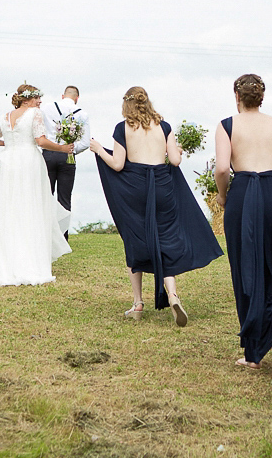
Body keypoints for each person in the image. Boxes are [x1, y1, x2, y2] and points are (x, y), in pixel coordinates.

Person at [91, 86, 223, 325]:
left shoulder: (122, 128)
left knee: (135, 239)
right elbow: (174, 160)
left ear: (126, 105)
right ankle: (172, 294)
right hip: (162, 188)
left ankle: (138, 303)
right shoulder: (164, 127)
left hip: (135, 189)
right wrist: (177, 151)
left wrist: (99, 149)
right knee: (164, 238)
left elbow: (118, 164)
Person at [214, 74, 272, 369]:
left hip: (242, 195)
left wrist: (223, 196)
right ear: (262, 97)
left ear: (236, 96)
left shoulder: (227, 125)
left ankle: (253, 353)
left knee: (245, 268)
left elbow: (223, 169)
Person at [0, 84, 74, 286]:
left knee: (8, 210)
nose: (40, 102)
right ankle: (30, 262)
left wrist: (9, 143)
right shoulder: (34, 113)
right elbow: (40, 141)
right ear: (28, 99)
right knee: (30, 208)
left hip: (7, 162)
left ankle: (5, 263)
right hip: (28, 161)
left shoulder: (5, 116)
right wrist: (62, 148)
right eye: (38, 98)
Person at [42, 86, 91, 239]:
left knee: (45, 196)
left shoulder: (46, 109)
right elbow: (85, 142)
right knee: (64, 198)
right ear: (77, 98)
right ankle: (63, 237)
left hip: (48, 154)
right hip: (68, 157)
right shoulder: (83, 114)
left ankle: (45, 234)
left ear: (62, 96)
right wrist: (70, 149)